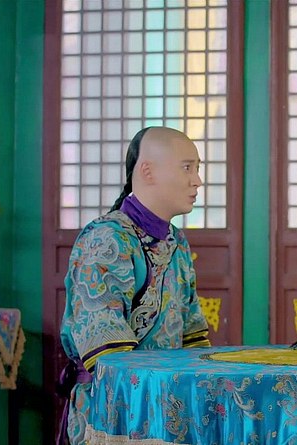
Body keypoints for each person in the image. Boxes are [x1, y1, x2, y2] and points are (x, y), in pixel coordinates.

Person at [58, 127, 211, 445]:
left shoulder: (176, 241)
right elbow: (107, 355)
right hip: (113, 413)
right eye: (187, 168)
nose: (197, 180)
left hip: (168, 407)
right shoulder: (107, 240)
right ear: (147, 171)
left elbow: (192, 336)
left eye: (197, 169)